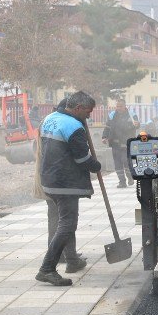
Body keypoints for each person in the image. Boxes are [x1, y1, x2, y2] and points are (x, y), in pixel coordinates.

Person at [36, 91, 102, 286]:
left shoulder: (50, 118)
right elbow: (82, 159)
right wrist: (96, 165)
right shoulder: (74, 126)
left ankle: (72, 260)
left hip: (49, 179)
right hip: (65, 183)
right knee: (67, 225)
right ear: (78, 108)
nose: (89, 116)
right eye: (88, 112)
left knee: (65, 222)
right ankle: (47, 269)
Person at [102, 99, 137, 188]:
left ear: (125, 106)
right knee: (117, 162)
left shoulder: (132, 114)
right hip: (114, 142)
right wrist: (104, 137)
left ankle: (130, 177)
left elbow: (137, 125)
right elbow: (107, 127)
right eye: (117, 106)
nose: (118, 108)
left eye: (120, 106)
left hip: (127, 142)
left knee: (126, 160)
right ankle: (122, 182)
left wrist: (135, 125)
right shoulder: (112, 115)